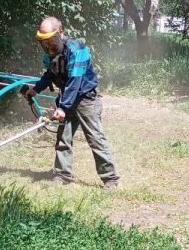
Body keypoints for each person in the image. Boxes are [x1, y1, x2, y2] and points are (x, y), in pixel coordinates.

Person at [23, 17, 120, 189]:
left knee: (95, 139)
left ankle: (110, 179)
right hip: (67, 99)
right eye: (43, 42)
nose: (47, 46)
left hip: (85, 100)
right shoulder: (49, 53)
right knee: (63, 139)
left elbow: (75, 81)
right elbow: (50, 74)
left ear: (60, 33)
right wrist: (36, 89)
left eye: (50, 40)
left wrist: (63, 107)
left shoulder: (78, 50)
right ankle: (62, 175)